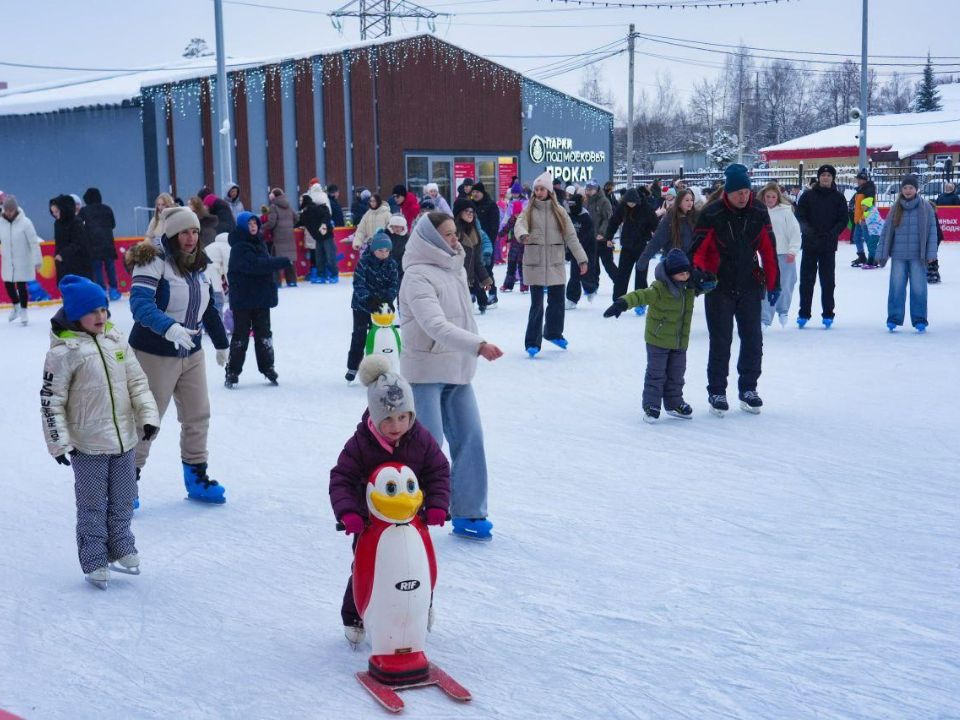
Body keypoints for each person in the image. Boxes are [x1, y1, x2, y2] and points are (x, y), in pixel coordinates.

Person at [41, 275, 160, 589]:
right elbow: (51, 401)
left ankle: (121, 546)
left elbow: (137, 383)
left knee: (124, 498)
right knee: (92, 505)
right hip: (87, 445)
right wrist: (58, 443)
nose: (100, 316)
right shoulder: (63, 353)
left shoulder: (116, 340)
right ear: (75, 314)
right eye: (91, 311)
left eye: (103, 309)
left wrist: (148, 416)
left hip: (124, 440)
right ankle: (94, 559)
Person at [329, 353, 451, 643]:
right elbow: (341, 478)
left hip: (413, 522)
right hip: (370, 525)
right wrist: (349, 513)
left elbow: (438, 470)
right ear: (374, 416)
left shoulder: (420, 438)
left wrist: (437, 504)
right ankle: (356, 615)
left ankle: (422, 606)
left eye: (402, 417)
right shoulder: (361, 443)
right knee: (365, 569)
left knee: (419, 566)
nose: (396, 425)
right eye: (388, 419)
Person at [398, 212, 503, 541]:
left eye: (455, 233)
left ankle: (469, 511)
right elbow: (434, 325)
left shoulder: (454, 266)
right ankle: (408, 509)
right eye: (448, 234)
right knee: (427, 444)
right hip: (426, 370)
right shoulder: (417, 276)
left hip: (457, 368)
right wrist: (478, 345)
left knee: (471, 437)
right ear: (431, 239)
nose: (455, 239)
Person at [127, 206, 230, 504]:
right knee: (146, 420)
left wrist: (221, 342)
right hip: (154, 352)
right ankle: (125, 484)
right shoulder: (153, 260)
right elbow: (140, 305)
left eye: (195, 231)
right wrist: (169, 327)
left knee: (198, 415)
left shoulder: (199, 262)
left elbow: (207, 306)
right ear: (172, 234)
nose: (191, 238)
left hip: (191, 352)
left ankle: (196, 478)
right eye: (185, 232)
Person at [690, 163, 780, 416]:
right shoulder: (712, 213)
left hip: (749, 283)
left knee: (753, 338)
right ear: (728, 192)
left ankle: (749, 388)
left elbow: (768, 250)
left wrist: (774, 282)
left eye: (747, 192)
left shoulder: (758, 210)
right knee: (721, 340)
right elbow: (697, 251)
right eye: (738, 192)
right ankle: (717, 391)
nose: (743, 196)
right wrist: (699, 274)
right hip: (719, 285)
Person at [604, 249, 715, 423]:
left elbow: (711, 285)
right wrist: (622, 303)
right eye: (681, 274)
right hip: (658, 340)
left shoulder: (689, 287)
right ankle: (651, 405)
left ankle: (674, 404)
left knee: (676, 375)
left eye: (687, 273)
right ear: (670, 274)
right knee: (656, 374)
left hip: (679, 340)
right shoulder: (659, 288)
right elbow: (640, 295)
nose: (685, 276)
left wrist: (707, 278)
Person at [514, 172, 589, 356]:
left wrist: (582, 259)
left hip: (555, 262)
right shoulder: (529, 210)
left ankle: (553, 333)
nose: (539, 192)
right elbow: (519, 224)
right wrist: (523, 235)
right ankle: (532, 342)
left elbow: (571, 237)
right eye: (536, 189)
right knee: (537, 305)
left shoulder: (560, 212)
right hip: (535, 263)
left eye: (542, 189)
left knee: (557, 302)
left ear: (549, 191)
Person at [225, 212, 293, 387]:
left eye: (255, 223)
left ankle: (268, 368)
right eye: (249, 224)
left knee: (264, 335)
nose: (253, 226)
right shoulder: (239, 246)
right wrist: (280, 262)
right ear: (242, 226)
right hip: (243, 298)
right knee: (240, 337)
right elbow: (255, 265)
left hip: (260, 297)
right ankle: (232, 371)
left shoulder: (259, 242)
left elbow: (263, 264)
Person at [876, 175, 938, 332]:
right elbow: (886, 232)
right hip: (899, 256)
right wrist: (881, 253)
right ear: (901, 190)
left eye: (911, 187)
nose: (908, 190)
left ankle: (919, 319)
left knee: (919, 288)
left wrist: (931, 253)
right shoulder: (895, 208)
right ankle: (894, 318)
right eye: (905, 188)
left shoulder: (926, 207)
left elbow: (932, 232)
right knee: (896, 287)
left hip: (918, 256)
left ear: (916, 189)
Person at [795, 164, 848, 328]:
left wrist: (833, 233)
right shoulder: (807, 196)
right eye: (823, 175)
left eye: (829, 175)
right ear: (819, 177)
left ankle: (828, 313)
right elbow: (800, 216)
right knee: (807, 280)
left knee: (828, 281)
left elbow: (843, 220)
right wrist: (808, 230)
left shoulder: (838, 198)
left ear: (833, 178)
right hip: (810, 243)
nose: (826, 178)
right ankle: (804, 313)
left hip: (828, 245)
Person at [345, 232, 399, 382]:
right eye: (380, 250)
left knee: (380, 337)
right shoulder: (364, 262)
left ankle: (380, 367)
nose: (384, 253)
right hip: (361, 306)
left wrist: (388, 299)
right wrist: (369, 299)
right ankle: (353, 367)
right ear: (373, 249)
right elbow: (358, 284)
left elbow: (394, 284)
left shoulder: (392, 264)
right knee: (359, 336)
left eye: (387, 251)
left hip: (381, 307)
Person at [757, 183, 802, 329]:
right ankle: (765, 319)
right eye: (768, 197)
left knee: (787, 283)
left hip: (785, 254)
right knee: (768, 285)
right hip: (768, 255)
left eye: (773, 197)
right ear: (763, 197)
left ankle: (783, 310)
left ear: (778, 197)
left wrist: (792, 251)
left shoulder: (785, 212)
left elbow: (795, 232)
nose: (770, 199)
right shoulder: (760, 212)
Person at [605, 188, 658, 308]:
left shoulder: (646, 208)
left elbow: (656, 225)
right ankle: (618, 301)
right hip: (627, 246)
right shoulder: (623, 206)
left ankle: (641, 303)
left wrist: (656, 241)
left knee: (641, 275)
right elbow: (614, 221)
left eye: (633, 202)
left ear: (638, 200)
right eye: (629, 202)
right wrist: (609, 237)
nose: (631, 204)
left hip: (642, 247)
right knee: (622, 275)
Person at [1, 195, 41, 325]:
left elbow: (33, 242)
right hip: (8, 260)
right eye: (7, 210)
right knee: (8, 283)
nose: (9, 213)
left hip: (23, 259)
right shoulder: (1, 223)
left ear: (16, 209)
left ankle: (24, 311)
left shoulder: (25, 223)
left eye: (11, 210)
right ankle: (16, 306)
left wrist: (37, 260)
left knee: (21, 285)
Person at [638, 188, 698, 268]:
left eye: (692, 200)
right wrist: (644, 259)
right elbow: (657, 239)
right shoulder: (671, 218)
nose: (690, 203)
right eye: (687, 200)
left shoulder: (696, 217)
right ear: (679, 201)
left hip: (691, 260)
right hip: (674, 260)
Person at [453, 199, 494, 314]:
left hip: (467, 279)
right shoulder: (452, 232)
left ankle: (482, 303)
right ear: (459, 213)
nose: (470, 214)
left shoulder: (475, 233)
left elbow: (477, 261)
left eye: (472, 211)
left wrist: (485, 280)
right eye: (466, 211)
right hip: (453, 279)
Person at [79, 188, 121, 301]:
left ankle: (101, 290)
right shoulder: (107, 209)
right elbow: (113, 224)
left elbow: (79, 226)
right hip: (108, 243)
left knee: (97, 269)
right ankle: (113, 290)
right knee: (110, 268)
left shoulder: (84, 211)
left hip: (93, 245)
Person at [564, 191, 598, 308]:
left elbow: (586, 237)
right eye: (570, 205)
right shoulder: (569, 216)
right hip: (576, 248)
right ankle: (572, 299)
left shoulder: (586, 217)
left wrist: (573, 251)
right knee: (574, 275)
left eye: (573, 205)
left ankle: (591, 289)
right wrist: (569, 251)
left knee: (585, 275)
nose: (571, 208)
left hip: (588, 249)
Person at [50, 195, 93, 283]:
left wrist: (62, 255)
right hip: (63, 264)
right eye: (52, 211)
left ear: (64, 209)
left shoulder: (76, 222)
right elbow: (60, 243)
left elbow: (78, 243)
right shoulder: (58, 223)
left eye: (56, 211)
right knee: (65, 285)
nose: (54, 214)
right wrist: (58, 257)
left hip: (78, 263)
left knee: (77, 286)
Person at [471, 182, 501, 307]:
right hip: (473, 242)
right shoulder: (471, 205)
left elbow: (495, 225)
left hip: (487, 243)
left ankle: (492, 294)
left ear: (482, 193)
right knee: (473, 269)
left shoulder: (491, 205)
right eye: (473, 192)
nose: (475, 194)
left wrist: (490, 242)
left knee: (487, 269)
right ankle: (475, 293)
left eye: (477, 192)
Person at [297, 188, 336, 283]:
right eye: (299, 201)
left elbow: (326, 215)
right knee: (319, 258)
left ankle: (334, 274)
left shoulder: (315, 208)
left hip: (326, 236)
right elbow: (300, 222)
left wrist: (324, 224)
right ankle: (321, 275)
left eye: (302, 200)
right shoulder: (304, 213)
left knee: (330, 256)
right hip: (318, 237)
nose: (300, 202)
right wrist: (291, 226)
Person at [263, 188, 299, 287]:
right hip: (289, 236)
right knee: (290, 259)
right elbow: (296, 218)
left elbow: (271, 222)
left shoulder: (273, 207)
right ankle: (292, 281)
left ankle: (277, 282)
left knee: (277, 259)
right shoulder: (288, 206)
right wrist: (290, 226)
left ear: (272, 197)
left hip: (279, 237)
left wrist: (261, 227)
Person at [585, 180, 616, 285]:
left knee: (608, 263)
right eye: (587, 189)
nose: (588, 191)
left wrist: (602, 233)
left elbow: (608, 219)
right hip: (591, 239)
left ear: (596, 189)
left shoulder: (604, 201)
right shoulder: (586, 202)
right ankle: (593, 285)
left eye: (590, 189)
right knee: (593, 265)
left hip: (603, 239)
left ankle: (619, 282)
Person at [498, 198, 526, 293]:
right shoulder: (512, 219)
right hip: (514, 245)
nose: (517, 215)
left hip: (523, 246)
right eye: (515, 213)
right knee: (511, 265)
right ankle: (508, 285)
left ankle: (524, 286)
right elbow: (506, 228)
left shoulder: (525, 221)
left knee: (522, 266)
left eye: (518, 213)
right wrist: (499, 235)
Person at [850, 171, 876, 267]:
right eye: (858, 179)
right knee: (856, 238)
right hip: (859, 220)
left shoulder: (868, 190)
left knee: (868, 239)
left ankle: (873, 258)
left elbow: (870, 206)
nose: (858, 181)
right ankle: (861, 256)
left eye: (860, 179)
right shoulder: (861, 190)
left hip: (865, 220)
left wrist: (864, 218)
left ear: (865, 180)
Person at [205, 232, 231, 319]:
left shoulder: (212, 245)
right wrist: (231, 283)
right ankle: (218, 321)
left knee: (207, 300)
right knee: (218, 299)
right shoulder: (226, 246)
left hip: (203, 273)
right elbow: (228, 267)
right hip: (213, 273)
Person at [859, 197, 884, 270]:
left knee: (871, 245)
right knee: (871, 245)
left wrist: (865, 220)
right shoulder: (869, 212)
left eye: (863, 205)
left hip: (876, 232)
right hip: (874, 232)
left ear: (868, 205)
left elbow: (876, 220)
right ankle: (875, 260)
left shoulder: (872, 212)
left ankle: (871, 262)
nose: (862, 207)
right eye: (861, 205)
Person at [385, 215, 409, 286]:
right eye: (395, 226)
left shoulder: (406, 237)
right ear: (391, 226)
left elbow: (408, 250)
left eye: (400, 227)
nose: (398, 229)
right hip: (387, 263)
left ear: (403, 227)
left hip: (400, 264)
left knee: (399, 283)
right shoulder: (385, 235)